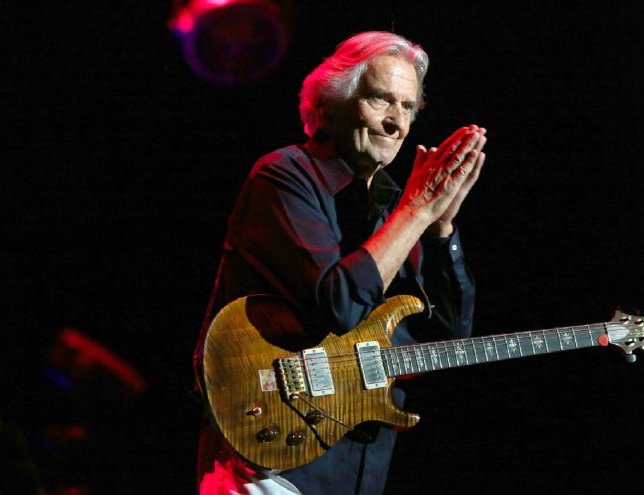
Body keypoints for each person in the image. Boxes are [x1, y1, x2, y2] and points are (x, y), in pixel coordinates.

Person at [195, 31, 487, 494]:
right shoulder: (285, 176)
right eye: (380, 100)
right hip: (269, 463)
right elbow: (338, 308)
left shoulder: (400, 209)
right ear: (330, 104)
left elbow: (450, 337)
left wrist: (439, 230)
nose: (397, 123)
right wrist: (416, 212)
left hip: (358, 467)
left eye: (408, 108)